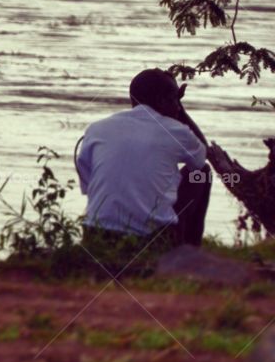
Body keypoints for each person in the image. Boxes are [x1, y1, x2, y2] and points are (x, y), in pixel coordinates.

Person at [76, 68, 213, 251]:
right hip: (150, 240)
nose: (178, 107)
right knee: (203, 174)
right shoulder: (174, 130)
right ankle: (188, 252)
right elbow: (201, 157)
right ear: (161, 100)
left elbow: (88, 185)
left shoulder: (97, 129)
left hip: (96, 235)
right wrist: (181, 114)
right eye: (174, 99)